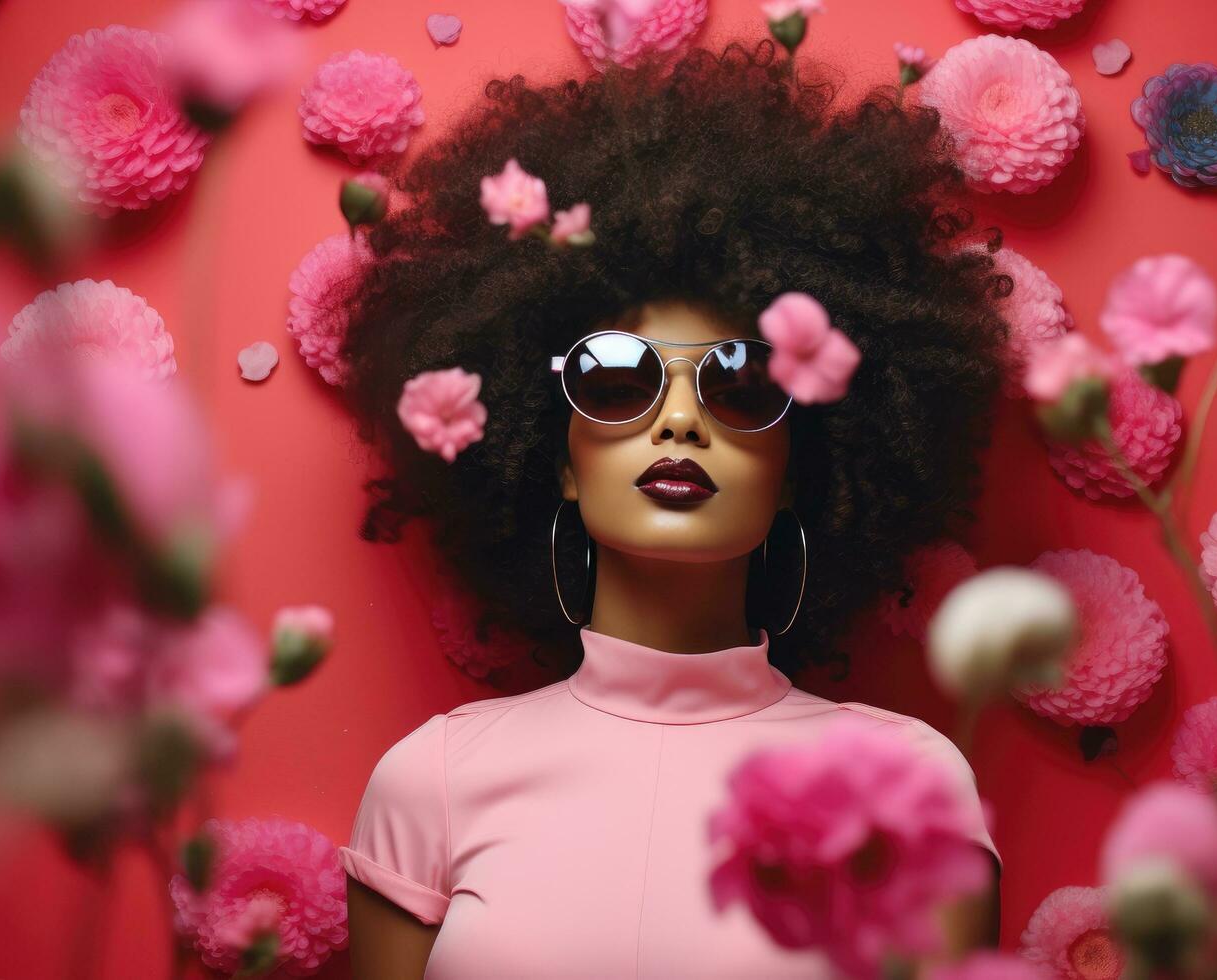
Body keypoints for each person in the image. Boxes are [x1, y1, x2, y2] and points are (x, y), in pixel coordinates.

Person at [336, 38, 1010, 979]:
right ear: (555, 458)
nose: (682, 422)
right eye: (619, 381)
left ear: (799, 465)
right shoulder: (433, 784)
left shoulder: (907, 785)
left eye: (740, 385)